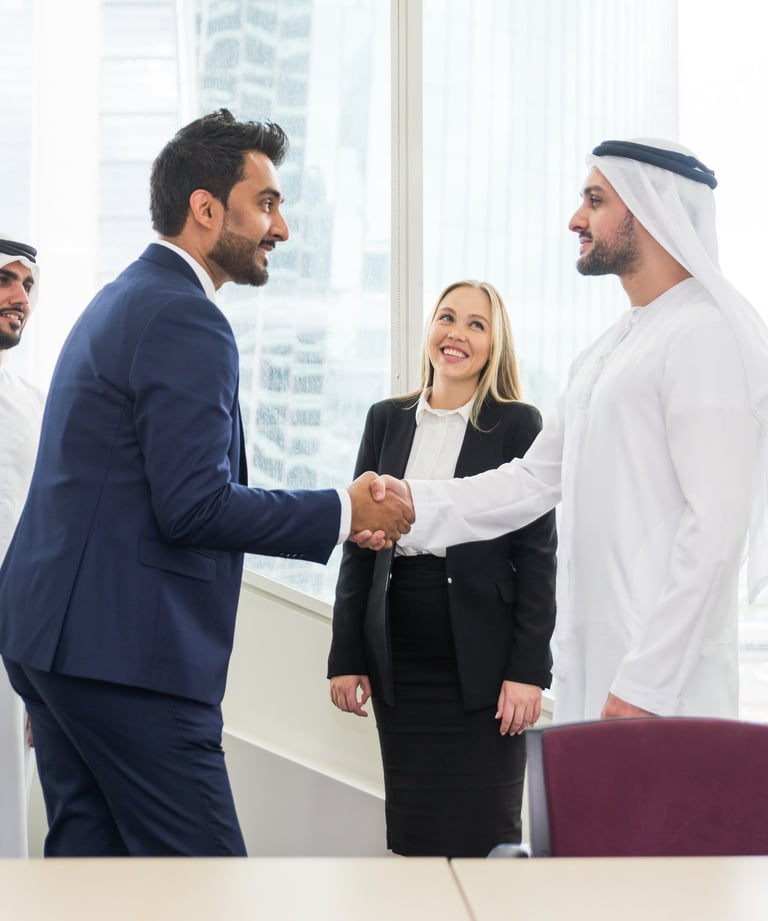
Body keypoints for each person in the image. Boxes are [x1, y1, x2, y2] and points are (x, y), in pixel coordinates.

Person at [0, 110, 413, 858]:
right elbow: (193, 504)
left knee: (94, 877)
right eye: (267, 203)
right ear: (205, 208)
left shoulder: (121, 296)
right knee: (210, 883)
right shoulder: (184, 316)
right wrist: (339, 509)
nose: (280, 228)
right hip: (125, 657)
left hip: (53, 642)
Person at [364, 138, 768, 723]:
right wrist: (413, 499)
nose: (577, 218)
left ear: (651, 211)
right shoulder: (609, 350)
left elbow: (716, 528)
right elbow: (530, 482)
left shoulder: (704, 336)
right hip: (597, 675)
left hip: (662, 691)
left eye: (595, 200)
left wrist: (647, 686)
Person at [329, 280, 557, 857]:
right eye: (447, 318)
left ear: (494, 344)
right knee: (413, 835)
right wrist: (347, 656)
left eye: (476, 324)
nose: (457, 333)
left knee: (487, 839)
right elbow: (358, 547)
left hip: (485, 666)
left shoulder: (518, 424)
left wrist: (528, 671)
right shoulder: (386, 419)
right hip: (400, 663)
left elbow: (537, 558)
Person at [0, 236, 43, 857]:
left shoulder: (37, 405)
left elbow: (45, 538)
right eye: (7, 280)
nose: (20, 298)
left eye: (29, 286)